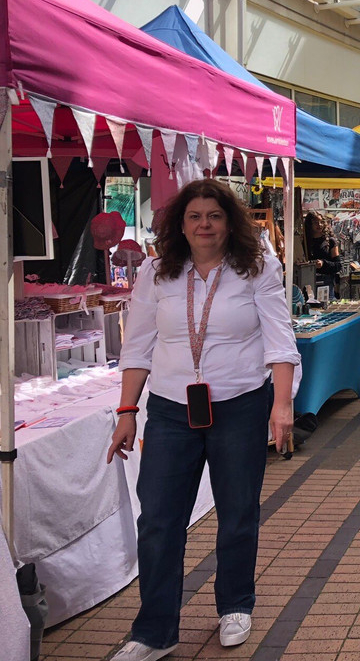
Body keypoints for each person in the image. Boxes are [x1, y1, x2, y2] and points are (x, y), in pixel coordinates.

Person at [107, 179, 299, 661]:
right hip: (172, 409)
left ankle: (235, 605)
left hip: (238, 405)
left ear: (228, 221)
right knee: (158, 520)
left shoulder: (257, 266)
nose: (204, 225)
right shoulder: (157, 272)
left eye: (213, 215)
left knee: (237, 513)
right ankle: (154, 632)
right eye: (194, 217)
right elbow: (137, 346)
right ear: (181, 224)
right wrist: (127, 410)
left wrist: (282, 406)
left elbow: (280, 341)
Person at [304, 211, 341, 297]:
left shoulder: (330, 241)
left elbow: (338, 265)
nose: (319, 225)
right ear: (310, 224)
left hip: (326, 282)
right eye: (315, 222)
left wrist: (323, 263)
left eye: (321, 222)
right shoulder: (305, 242)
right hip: (308, 281)